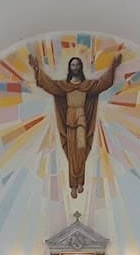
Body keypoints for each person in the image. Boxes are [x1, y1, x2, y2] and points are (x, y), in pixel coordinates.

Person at [29, 50, 123, 198]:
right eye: (72, 65)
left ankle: (79, 183)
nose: (75, 67)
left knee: (81, 151)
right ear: (69, 68)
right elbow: (49, 85)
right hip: (69, 121)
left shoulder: (88, 85)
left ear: (80, 68)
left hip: (81, 120)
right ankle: (74, 185)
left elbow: (102, 83)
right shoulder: (63, 86)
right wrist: (37, 70)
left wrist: (113, 67)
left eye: (77, 65)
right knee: (72, 153)